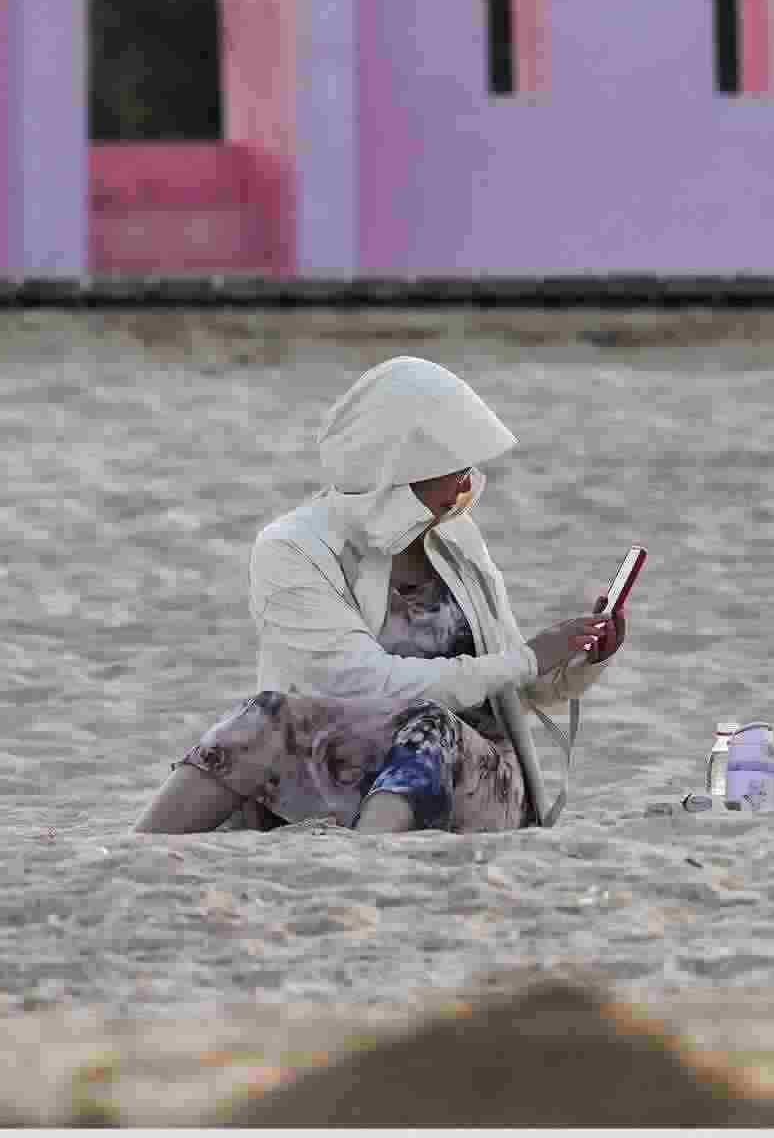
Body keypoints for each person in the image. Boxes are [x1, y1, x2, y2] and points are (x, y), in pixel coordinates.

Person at [133, 356, 623, 835]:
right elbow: (363, 687)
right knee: (262, 714)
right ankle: (136, 849)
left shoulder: (458, 540)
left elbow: (522, 687)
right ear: (398, 466)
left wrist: (581, 658)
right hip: (343, 764)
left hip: (480, 781)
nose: (467, 482)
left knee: (431, 727)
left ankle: (371, 862)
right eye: (454, 466)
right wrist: (526, 659)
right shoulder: (292, 547)